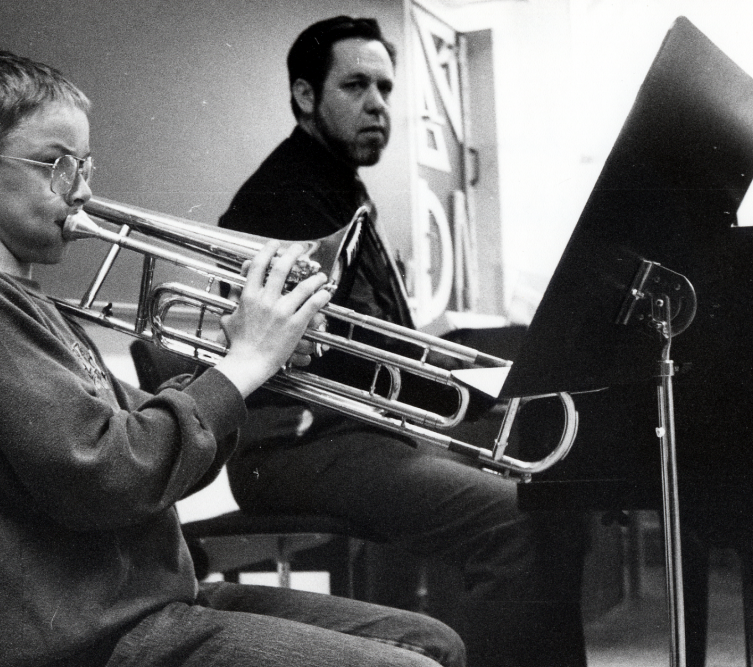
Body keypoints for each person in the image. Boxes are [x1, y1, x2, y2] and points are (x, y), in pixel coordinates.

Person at [0, 45, 468, 667]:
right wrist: (241, 365)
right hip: (94, 640)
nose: (83, 191)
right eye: (57, 166)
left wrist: (251, 365)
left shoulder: (29, 303)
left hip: (147, 605)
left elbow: (156, 455)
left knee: (432, 642)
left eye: (85, 165)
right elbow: (110, 476)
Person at [219, 16, 589, 667]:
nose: (377, 105)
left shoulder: (336, 187)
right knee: (520, 519)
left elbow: (382, 338)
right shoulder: (286, 197)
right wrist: (477, 392)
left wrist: (473, 379)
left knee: (544, 504)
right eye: (356, 86)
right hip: (295, 445)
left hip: (346, 435)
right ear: (306, 97)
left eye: (386, 89)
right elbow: (352, 356)